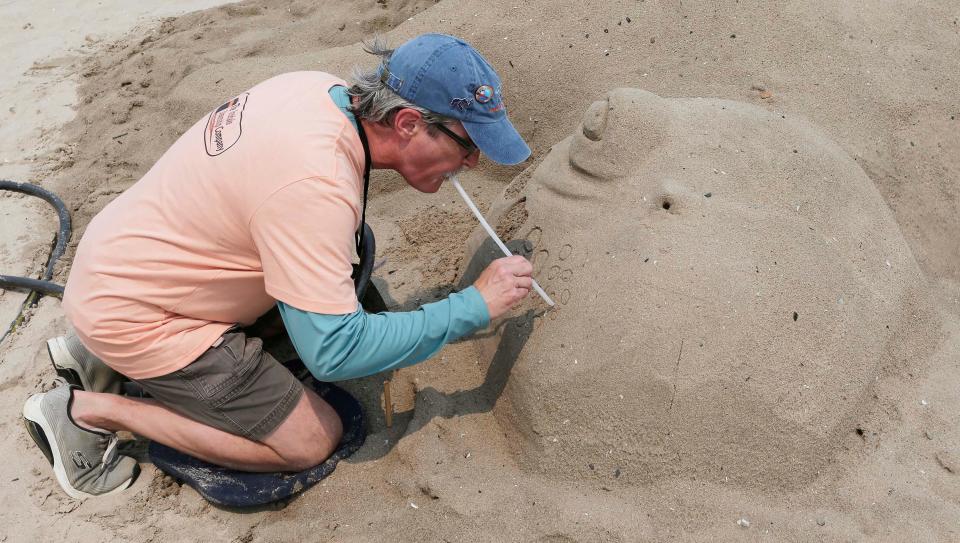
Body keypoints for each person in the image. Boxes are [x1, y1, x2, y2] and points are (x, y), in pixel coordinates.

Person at [22, 33, 534, 499]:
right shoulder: (314, 186)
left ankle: (98, 356)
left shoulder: (320, 91)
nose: (471, 164)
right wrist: (472, 307)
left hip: (126, 261)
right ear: (406, 123)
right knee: (312, 439)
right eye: (467, 147)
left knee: (353, 248)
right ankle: (86, 412)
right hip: (141, 315)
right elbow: (335, 352)